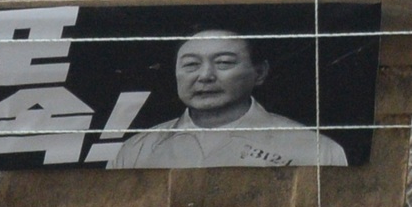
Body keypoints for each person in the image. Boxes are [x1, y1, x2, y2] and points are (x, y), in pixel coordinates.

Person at [108, 30, 348, 169]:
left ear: (260, 72)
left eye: (224, 63)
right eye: (191, 65)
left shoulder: (316, 150)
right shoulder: (135, 152)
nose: (205, 76)